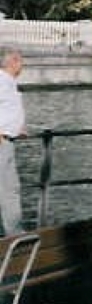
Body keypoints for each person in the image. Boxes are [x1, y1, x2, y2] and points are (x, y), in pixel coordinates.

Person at [0, 48, 26, 235]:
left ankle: (14, 232)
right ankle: (13, 233)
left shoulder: (9, 82)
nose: (22, 65)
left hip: (8, 140)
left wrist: (18, 128)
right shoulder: (2, 81)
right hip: (1, 141)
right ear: (13, 62)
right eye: (21, 61)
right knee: (7, 188)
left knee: (11, 188)